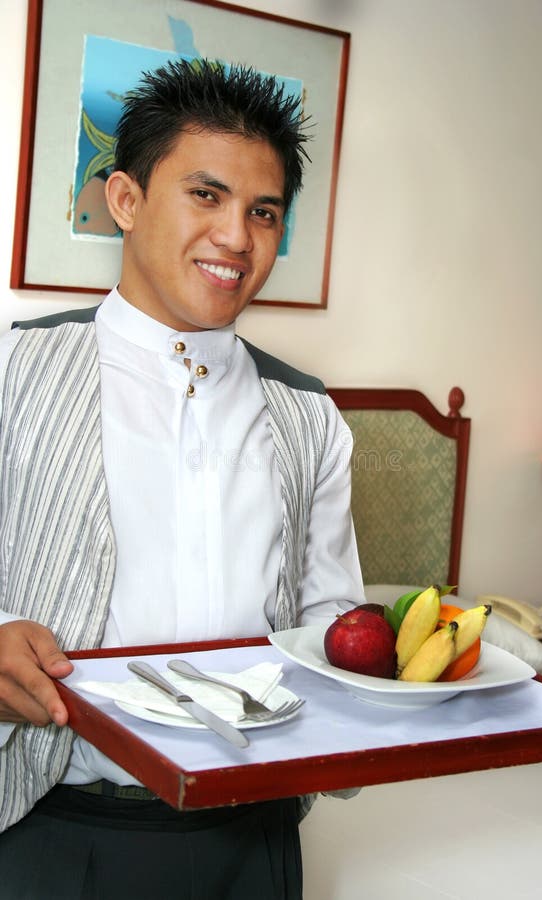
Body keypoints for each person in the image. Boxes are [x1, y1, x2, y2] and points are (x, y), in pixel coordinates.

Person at [0, 59, 363, 898]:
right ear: (126, 201)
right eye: (207, 196)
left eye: (263, 212)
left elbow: (334, 620)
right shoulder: (18, 367)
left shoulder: (309, 414)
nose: (238, 237)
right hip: (52, 827)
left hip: (255, 837)